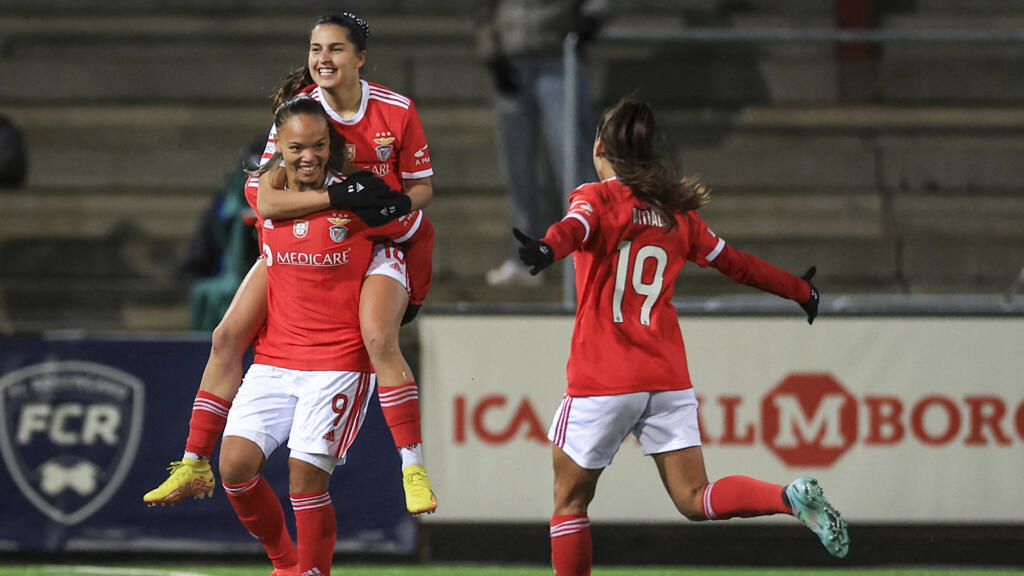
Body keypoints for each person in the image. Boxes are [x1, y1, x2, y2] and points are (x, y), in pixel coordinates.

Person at [512, 99, 849, 575]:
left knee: (569, 502)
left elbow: (576, 227)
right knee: (694, 497)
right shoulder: (679, 217)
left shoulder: (597, 197)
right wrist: (798, 289)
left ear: (599, 148)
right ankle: (787, 499)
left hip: (604, 377)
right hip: (665, 378)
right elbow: (735, 262)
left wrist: (547, 247)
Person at [143, 12, 438, 516]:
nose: (323, 59)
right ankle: (195, 461)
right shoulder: (297, 111)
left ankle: (412, 465)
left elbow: (422, 190)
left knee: (378, 338)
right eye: (315, 49)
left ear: (360, 58)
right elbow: (262, 198)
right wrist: (340, 198)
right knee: (226, 336)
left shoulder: (397, 109)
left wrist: (396, 207)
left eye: (336, 50)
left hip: (374, 243)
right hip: (307, 240)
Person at [220, 94, 431, 576]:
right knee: (233, 468)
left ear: (330, 145)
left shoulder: (364, 196)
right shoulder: (263, 191)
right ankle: (286, 564)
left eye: (317, 146)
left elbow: (417, 227)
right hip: (275, 361)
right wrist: (335, 199)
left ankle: (311, 571)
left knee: (304, 483)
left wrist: (413, 293)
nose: (308, 156)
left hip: (337, 364)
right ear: (280, 150)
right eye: (296, 148)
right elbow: (267, 200)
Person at [477, 0, 609, 287]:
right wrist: (492, 52)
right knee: (517, 167)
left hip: (557, 57)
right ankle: (523, 257)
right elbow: (484, 8)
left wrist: (590, 22)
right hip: (510, 59)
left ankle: (590, 255)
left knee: (572, 162)